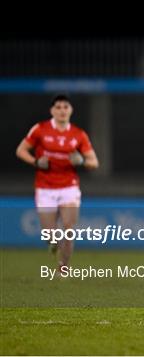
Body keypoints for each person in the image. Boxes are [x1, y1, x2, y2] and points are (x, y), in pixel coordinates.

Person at [16, 94, 99, 273]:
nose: (62, 110)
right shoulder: (40, 129)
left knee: (69, 229)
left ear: (71, 110)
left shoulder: (78, 134)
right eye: (58, 107)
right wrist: (36, 162)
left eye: (65, 107)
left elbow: (94, 162)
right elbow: (21, 150)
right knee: (51, 236)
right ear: (52, 110)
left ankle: (63, 268)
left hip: (69, 186)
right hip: (45, 187)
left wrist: (81, 162)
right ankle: (53, 244)